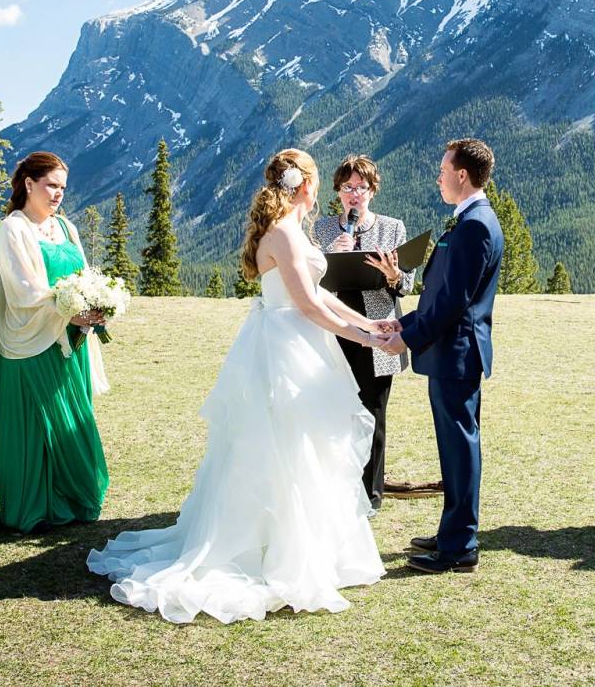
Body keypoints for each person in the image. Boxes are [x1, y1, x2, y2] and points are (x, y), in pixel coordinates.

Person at [88, 149, 390, 623]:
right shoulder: (285, 233)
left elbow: (324, 297)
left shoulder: (294, 229)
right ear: (305, 184)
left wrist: (376, 328)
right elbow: (309, 306)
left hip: (300, 344)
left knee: (307, 446)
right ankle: (278, 550)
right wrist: (367, 337)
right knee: (285, 446)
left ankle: (309, 544)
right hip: (288, 347)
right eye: (315, 179)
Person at [376, 138, 504, 574]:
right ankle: (453, 531)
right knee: (454, 448)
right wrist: (405, 323)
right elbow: (440, 297)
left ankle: (460, 547)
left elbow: (453, 303)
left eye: (444, 168)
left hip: (457, 354)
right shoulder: (469, 221)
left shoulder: (476, 226)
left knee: (460, 447)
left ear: (462, 175)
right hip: (452, 353)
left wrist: (407, 341)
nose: (438, 175)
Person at [0, 152, 110, 533]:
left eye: (62, 187)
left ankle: (72, 497)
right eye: (51, 185)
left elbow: (84, 275)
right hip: (32, 340)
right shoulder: (13, 229)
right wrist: (68, 311)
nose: (58, 193)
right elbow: (24, 290)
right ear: (29, 184)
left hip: (71, 340)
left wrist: (95, 303)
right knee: (35, 423)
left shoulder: (66, 227)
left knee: (73, 418)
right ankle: (34, 504)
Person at [312, 154, 414, 510]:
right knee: (332, 410)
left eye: (361, 188)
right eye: (347, 188)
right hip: (333, 329)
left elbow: (407, 286)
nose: (354, 195)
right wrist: (329, 256)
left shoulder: (392, 228)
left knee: (372, 412)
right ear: (338, 191)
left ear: (373, 191)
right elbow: (307, 282)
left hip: (379, 330)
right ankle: (333, 489)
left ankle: (370, 495)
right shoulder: (323, 230)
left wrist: (392, 275)